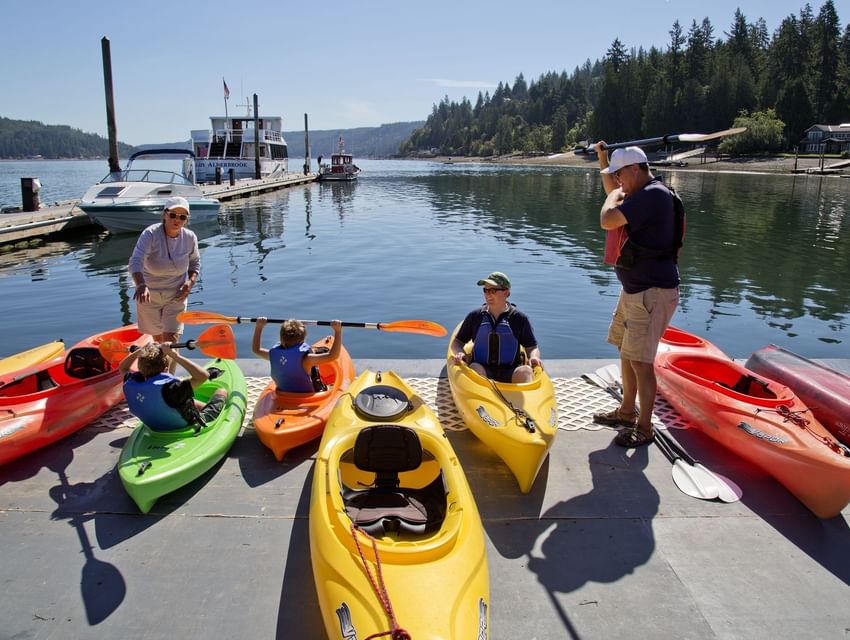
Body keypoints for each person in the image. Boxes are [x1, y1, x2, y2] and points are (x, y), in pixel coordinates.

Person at [594, 144, 681, 447]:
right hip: (636, 290)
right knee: (627, 352)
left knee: (642, 362)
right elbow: (614, 191)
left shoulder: (653, 196)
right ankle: (626, 411)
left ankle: (645, 428)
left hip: (652, 293)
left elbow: (608, 218)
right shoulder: (640, 193)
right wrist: (603, 160)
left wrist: (611, 198)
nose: (617, 182)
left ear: (635, 169)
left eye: (620, 174)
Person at [128, 196, 200, 373]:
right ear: (164, 215)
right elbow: (135, 261)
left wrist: (190, 283)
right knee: (159, 341)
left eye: (182, 217)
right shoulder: (150, 234)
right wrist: (140, 285)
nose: (177, 220)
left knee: (171, 341)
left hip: (176, 294)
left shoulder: (190, 237)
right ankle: (159, 375)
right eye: (173, 214)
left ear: (186, 220)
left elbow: (195, 263)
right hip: (148, 294)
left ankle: (170, 378)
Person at [450, 272, 542, 383]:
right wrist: (460, 353)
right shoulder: (475, 316)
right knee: (474, 367)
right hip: (482, 370)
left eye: (493, 291)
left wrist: (534, 357)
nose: (488, 295)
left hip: (511, 371)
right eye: (486, 290)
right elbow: (457, 342)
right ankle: (479, 397)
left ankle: (526, 399)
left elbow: (532, 347)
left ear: (506, 293)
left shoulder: (519, 319)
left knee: (526, 371)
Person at [119, 342, 227, 431]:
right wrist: (175, 355)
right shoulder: (171, 389)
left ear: (140, 368)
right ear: (166, 368)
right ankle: (210, 412)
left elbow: (123, 367)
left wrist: (139, 352)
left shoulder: (132, 382)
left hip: (155, 424)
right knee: (221, 391)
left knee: (186, 399)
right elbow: (203, 376)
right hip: (184, 425)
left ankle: (201, 406)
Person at [252, 318, 343, 393]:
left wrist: (259, 327)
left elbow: (256, 349)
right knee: (316, 370)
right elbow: (333, 356)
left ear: (281, 338)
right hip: (306, 396)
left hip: (284, 394)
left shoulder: (273, 355)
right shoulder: (307, 359)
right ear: (302, 340)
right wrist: (338, 331)